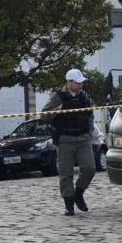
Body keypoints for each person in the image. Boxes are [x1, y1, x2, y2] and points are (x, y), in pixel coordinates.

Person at [41, 68, 96, 216]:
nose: (80, 85)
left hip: (83, 137)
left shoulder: (84, 96)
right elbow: (44, 115)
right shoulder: (57, 96)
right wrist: (60, 108)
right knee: (66, 173)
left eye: (81, 83)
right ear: (69, 82)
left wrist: (89, 133)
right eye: (78, 83)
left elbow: (90, 115)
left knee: (90, 168)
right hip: (65, 138)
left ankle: (78, 193)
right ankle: (69, 203)